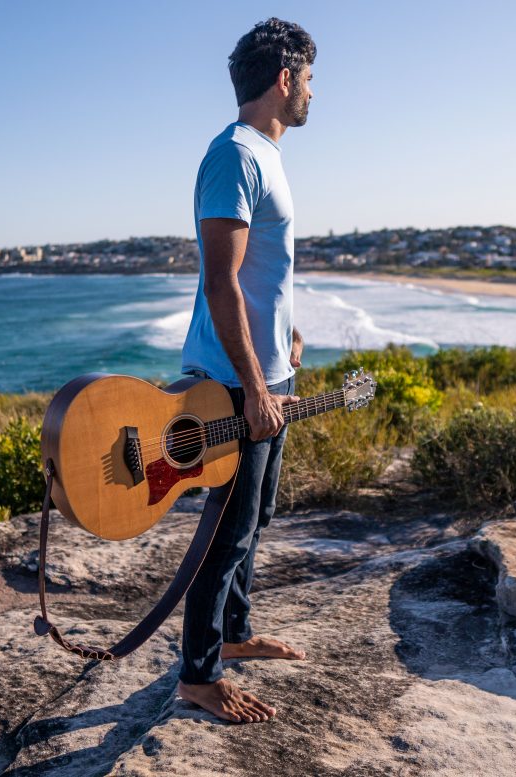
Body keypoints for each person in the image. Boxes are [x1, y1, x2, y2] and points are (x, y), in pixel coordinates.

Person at [176, 17, 315, 725]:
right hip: (234, 383)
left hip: (266, 373)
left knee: (254, 517)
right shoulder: (234, 154)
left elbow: (262, 276)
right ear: (283, 79)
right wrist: (255, 387)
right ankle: (198, 675)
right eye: (308, 77)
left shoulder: (265, 152)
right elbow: (221, 282)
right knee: (225, 531)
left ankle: (232, 636)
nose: (312, 91)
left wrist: (285, 338)